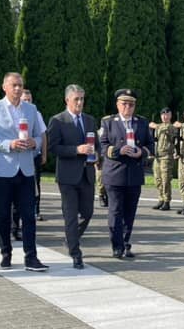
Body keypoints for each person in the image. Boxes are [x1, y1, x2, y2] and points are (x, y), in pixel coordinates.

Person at [0, 72, 48, 271]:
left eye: (20, 85)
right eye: (14, 85)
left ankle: (31, 256)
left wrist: (35, 143)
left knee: (28, 214)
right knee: (3, 214)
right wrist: (8, 144)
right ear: (5, 87)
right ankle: (5, 252)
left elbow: (38, 135)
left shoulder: (31, 108)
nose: (18, 89)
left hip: (26, 169)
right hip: (4, 169)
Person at [47, 84, 99, 269]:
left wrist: (97, 155)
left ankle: (71, 237)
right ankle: (76, 253)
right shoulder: (58, 121)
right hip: (68, 176)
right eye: (76, 99)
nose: (80, 102)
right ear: (67, 100)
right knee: (70, 216)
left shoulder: (90, 120)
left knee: (87, 213)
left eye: (82, 99)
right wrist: (76, 150)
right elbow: (53, 147)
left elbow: (97, 144)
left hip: (87, 174)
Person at [100, 89, 153, 258]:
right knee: (115, 211)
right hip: (115, 174)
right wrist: (118, 150)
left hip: (134, 174)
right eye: (124, 104)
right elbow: (101, 146)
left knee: (130, 212)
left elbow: (150, 146)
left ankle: (125, 242)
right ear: (117, 104)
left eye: (131, 104)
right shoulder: (108, 122)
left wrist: (141, 153)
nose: (128, 107)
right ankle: (117, 245)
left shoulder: (142, 123)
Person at [19, 87, 48, 229]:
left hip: (33, 155)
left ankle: (35, 210)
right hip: (19, 155)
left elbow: (42, 135)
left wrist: (44, 153)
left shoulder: (36, 113)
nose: (27, 102)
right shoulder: (15, 113)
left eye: (29, 99)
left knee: (35, 183)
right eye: (25, 99)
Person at [149, 108, 176, 210]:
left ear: (170, 116)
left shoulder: (170, 127)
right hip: (158, 156)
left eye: (167, 114)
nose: (165, 116)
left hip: (166, 157)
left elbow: (168, 130)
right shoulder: (158, 128)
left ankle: (166, 200)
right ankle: (161, 198)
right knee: (158, 179)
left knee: (165, 180)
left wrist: (156, 126)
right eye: (163, 115)